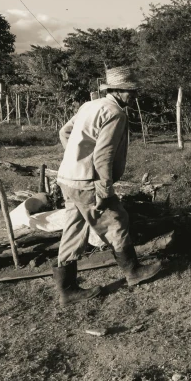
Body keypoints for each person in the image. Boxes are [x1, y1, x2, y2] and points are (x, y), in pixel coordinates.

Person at [52, 66, 162, 305]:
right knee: (116, 221)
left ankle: (66, 289)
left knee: (73, 229)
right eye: (129, 92)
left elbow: (65, 131)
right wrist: (104, 189)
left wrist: (75, 156)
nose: (133, 96)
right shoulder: (115, 113)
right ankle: (132, 271)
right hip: (87, 182)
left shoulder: (89, 105)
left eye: (134, 91)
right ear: (117, 91)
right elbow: (103, 156)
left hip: (68, 178)